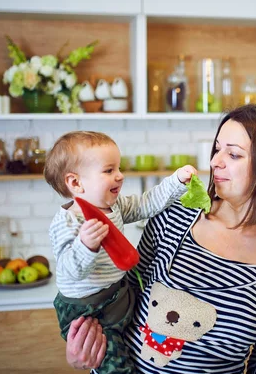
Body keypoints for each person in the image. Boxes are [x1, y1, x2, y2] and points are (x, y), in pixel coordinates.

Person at [64, 106, 256, 373]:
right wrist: (84, 350)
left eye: (233, 154)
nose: (215, 161)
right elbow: (120, 298)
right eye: (217, 149)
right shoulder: (173, 217)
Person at [44, 130, 196, 374]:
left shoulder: (114, 206)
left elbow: (147, 203)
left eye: (119, 168)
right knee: (114, 364)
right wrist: (85, 246)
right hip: (89, 311)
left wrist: (176, 182)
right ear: (75, 183)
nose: (120, 176)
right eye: (109, 170)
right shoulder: (68, 222)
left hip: (118, 292)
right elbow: (68, 271)